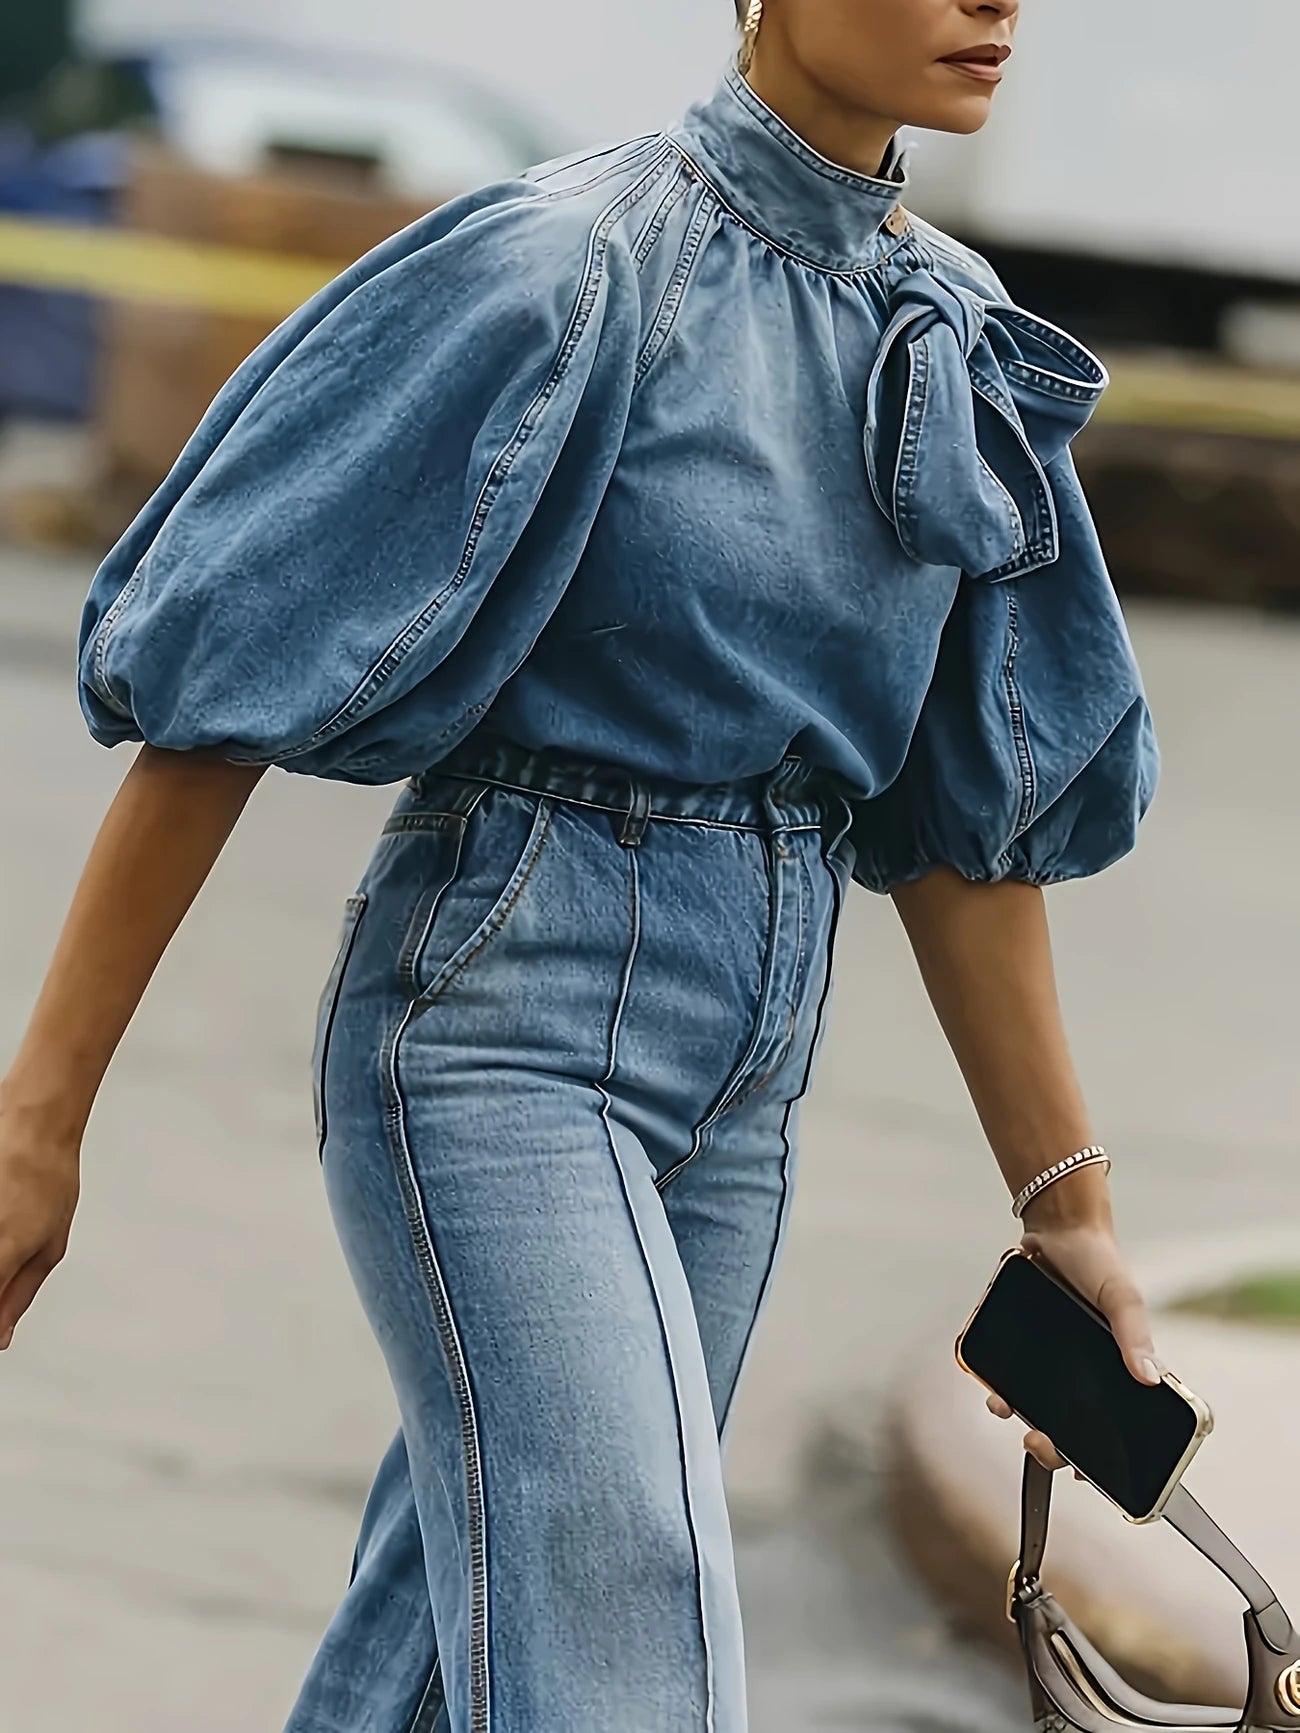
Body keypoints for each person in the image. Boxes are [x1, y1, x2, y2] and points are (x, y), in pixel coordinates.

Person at [0, 1, 1165, 1728]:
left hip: (747, 1089)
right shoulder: (573, 264)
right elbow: (221, 688)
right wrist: (41, 1119)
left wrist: (1066, 1209)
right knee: (626, 1656)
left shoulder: (951, 333)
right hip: (506, 1030)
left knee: (441, 1662)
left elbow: (962, 827)